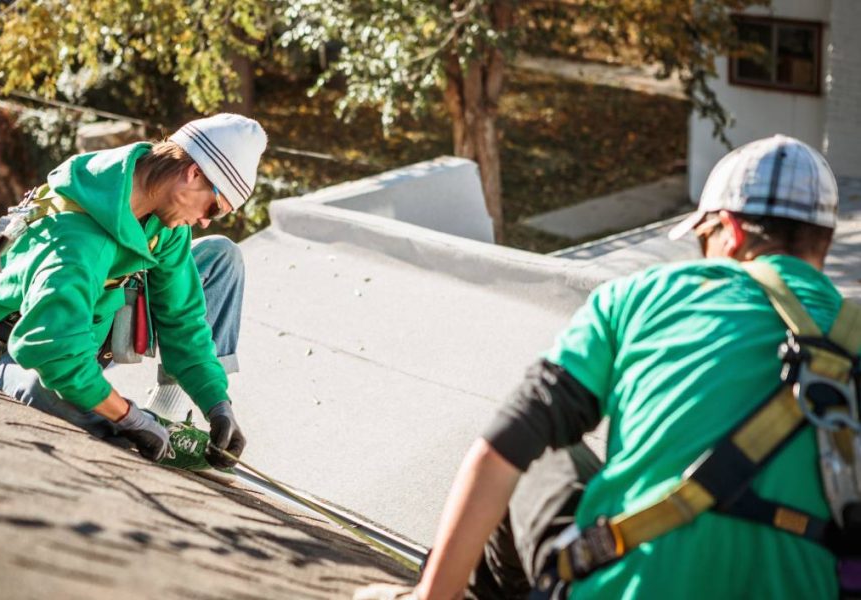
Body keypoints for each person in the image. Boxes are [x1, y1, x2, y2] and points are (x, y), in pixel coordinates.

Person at [357, 134, 857, 600]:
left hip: (623, 584)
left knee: (542, 456)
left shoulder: (641, 296)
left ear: (727, 228)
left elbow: (499, 452)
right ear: (824, 241)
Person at [0, 113, 267, 468]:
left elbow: (182, 319)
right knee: (48, 393)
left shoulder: (163, 219)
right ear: (194, 173)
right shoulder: (76, 238)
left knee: (220, 256)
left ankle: (162, 415)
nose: (204, 221)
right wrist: (129, 419)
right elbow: (54, 353)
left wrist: (218, 404)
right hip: (21, 353)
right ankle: (126, 424)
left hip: (88, 337)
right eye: (213, 209)